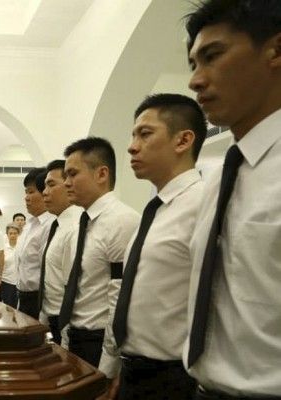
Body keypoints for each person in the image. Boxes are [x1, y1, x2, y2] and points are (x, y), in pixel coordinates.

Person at [184, 1, 281, 398]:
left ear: (275, 50)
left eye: (213, 56)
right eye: (193, 64)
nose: (195, 80)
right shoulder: (220, 178)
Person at [98, 94, 206, 400]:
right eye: (133, 135)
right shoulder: (156, 210)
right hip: (135, 369)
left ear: (183, 140)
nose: (132, 147)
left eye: (145, 134)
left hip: (175, 377)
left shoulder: (203, 203)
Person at [58, 137, 140, 368]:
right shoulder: (82, 223)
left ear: (101, 174)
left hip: (99, 342)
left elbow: (121, 297)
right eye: (65, 176)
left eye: (73, 174)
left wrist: (110, 363)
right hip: (76, 337)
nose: (66, 183)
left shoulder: (122, 221)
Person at [39, 159, 82, 347]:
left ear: (69, 185)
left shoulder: (75, 226)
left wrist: (65, 336)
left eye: (51, 185)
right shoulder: (59, 225)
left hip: (66, 324)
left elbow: (74, 288)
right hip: (53, 319)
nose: (44, 192)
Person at [16, 168, 55, 319]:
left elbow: (48, 273)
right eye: (25, 192)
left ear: (45, 192)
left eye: (31, 192)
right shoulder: (29, 225)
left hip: (39, 298)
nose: (26, 197)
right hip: (24, 296)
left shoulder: (50, 224)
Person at [0, 225, 20, 308]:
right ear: (7, 235)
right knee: (7, 307)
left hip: (19, 282)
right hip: (6, 282)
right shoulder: (3, 248)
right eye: (10, 233)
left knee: (18, 309)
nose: (13, 235)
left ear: (18, 234)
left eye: (15, 233)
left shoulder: (21, 247)